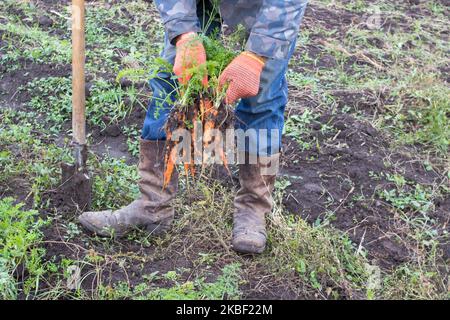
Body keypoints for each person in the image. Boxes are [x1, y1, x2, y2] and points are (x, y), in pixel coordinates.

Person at [79, 0, 309, 254]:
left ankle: (253, 207)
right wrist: (185, 35)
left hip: (266, 7)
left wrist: (256, 56)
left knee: (263, 95)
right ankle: (153, 203)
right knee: (171, 81)